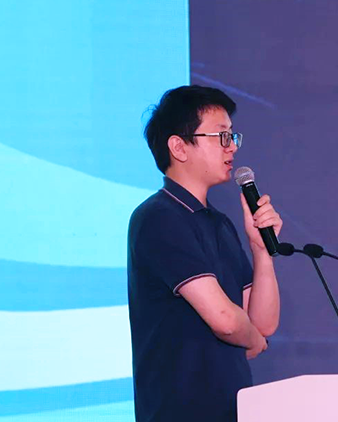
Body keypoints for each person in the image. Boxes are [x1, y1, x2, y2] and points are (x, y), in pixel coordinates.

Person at [127, 85, 283, 422]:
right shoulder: (159, 217)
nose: (232, 147)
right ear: (179, 147)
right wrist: (252, 340)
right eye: (221, 136)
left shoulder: (219, 223)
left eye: (233, 136)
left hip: (231, 409)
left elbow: (264, 323)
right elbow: (225, 320)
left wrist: (261, 251)